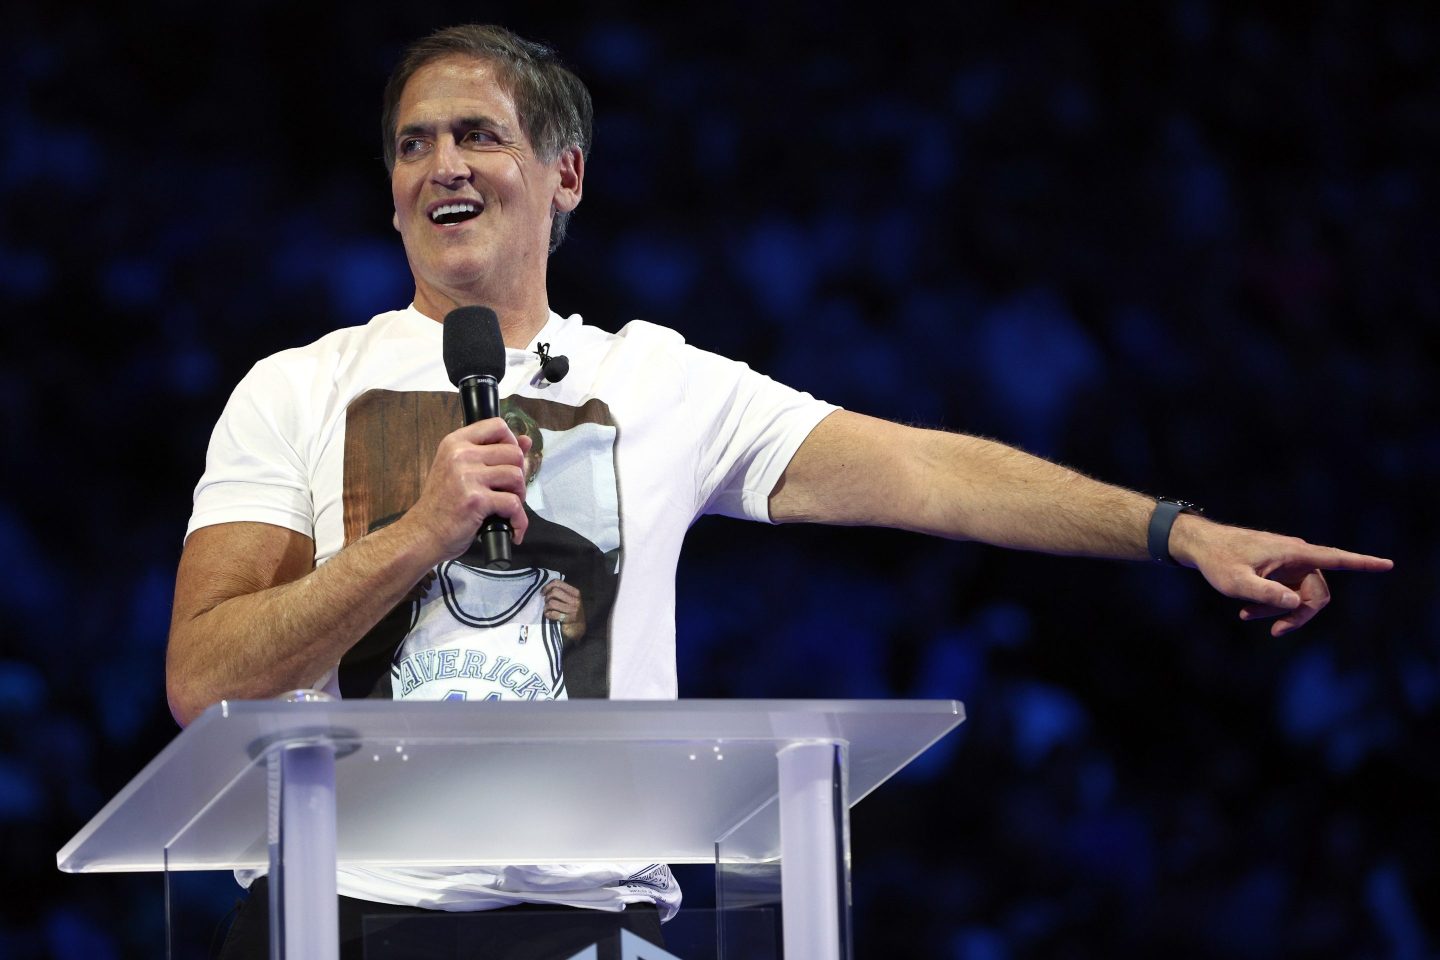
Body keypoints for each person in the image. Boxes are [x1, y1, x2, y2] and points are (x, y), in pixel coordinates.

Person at [165, 22, 1392, 958]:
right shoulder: (296, 388)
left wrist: (1172, 531)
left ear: (566, 173)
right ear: (389, 192)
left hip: (586, 927)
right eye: (413, 143)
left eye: (478, 133)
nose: (444, 163)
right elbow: (205, 677)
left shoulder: (659, 381)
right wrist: (416, 535)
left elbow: (928, 472)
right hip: (336, 915)